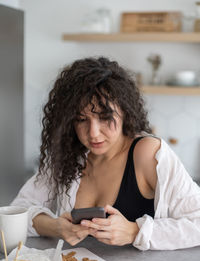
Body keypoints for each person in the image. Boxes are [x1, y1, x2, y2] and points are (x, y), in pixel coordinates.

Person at [11, 56, 200, 250]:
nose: (93, 133)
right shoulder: (69, 154)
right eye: (81, 119)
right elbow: (16, 212)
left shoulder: (148, 153)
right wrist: (55, 227)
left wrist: (135, 231)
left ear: (125, 112)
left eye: (104, 117)